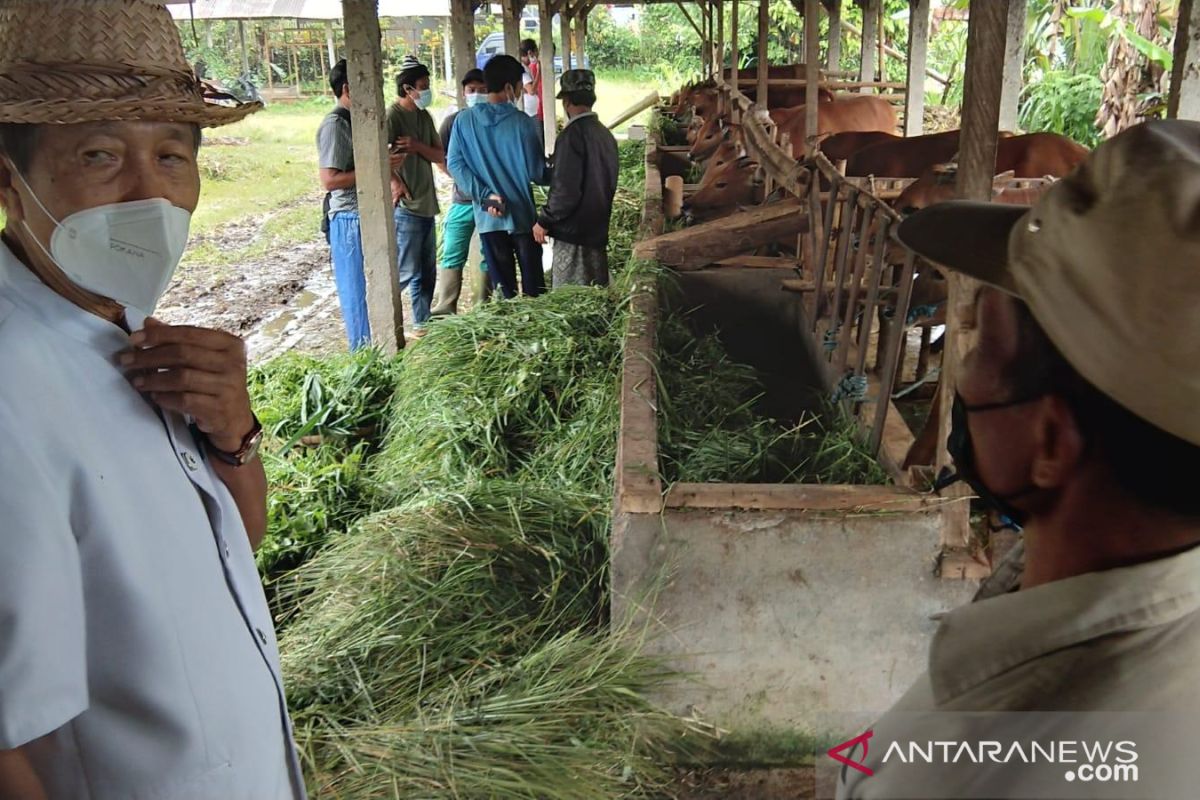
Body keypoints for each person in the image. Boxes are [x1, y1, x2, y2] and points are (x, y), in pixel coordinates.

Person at [837, 120, 1200, 799]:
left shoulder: (1005, 770)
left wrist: (848, 769)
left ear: (1052, 443)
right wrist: (852, 761)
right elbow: (873, 750)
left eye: (980, 347)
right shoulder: (1043, 603)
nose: (963, 377)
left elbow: (869, 766)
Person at [0, 1, 305, 797]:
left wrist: (234, 435)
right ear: (8, 181)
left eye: (172, 156)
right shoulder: (12, 391)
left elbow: (236, 545)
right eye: (101, 154)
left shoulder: (129, 332)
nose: (150, 195)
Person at [317, 59, 405, 349]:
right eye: (367, 85)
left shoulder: (360, 121)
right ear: (346, 88)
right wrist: (379, 166)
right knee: (357, 295)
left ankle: (379, 351)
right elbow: (330, 180)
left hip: (366, 213)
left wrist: (391, 174)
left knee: (376, 292)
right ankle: (364, 356)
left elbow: (366, 162)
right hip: (348, 219)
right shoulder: (336, 124)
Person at [447, 54, 548, 299]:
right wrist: (563, 173)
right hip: (523, 219)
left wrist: (485, 196)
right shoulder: (523, 123)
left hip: (489, 219)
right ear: (508, 88)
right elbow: (537, 173)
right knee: (535, 291)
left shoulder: (463, 121)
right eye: (518, 87)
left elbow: (455, 164)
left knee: (505, 294)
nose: (521, 93)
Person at [533, 69, 619, 287]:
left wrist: (544, 220)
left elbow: (565, 191)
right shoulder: (605, 135)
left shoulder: (571, 137)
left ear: (567, 101)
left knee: (573, 298)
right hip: (597, 229)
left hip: (573, 234)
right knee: (595, 293)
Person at [388, 54, 443, 335]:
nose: (427, 90)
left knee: (426, 270)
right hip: (407, 205)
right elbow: (379, 159)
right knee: (405, 271)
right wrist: (396, 182)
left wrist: (417, 146)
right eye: (423, 85)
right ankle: (387, 324)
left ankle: (421, 322)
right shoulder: (392, 116)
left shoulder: (423, 116)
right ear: (408, 89)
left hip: (426, 202)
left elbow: (439, 153)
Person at [432, 68, 491, 315]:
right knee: (452, 250)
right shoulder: (452, 122)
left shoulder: (492, 121)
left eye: (481, 90)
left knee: (485, 254)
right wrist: (461, 179)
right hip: (462, 199)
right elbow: (441, 156)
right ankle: (446, 306)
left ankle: (482, 307)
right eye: (471, 90)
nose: (476, 94)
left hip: (489, 201)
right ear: (464, 93)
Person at [519, 39, 542, 121]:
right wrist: (539, 71)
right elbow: (531, 90)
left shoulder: (526, 67)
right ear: (530, 53)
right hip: (530, 113)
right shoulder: (522, 69)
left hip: (532, 111)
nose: (537, 55)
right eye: (536, 51)